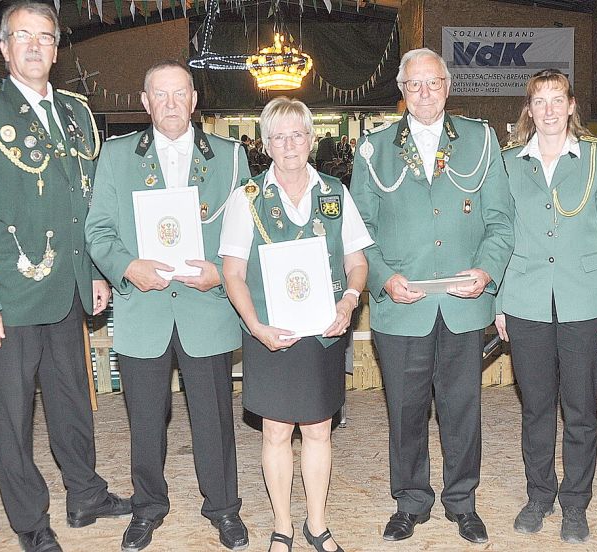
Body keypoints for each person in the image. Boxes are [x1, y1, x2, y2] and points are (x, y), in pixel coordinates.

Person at [0, 3, 130, 551]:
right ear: (3, 48)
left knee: (74, 399)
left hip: (68, 290)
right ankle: (30, 520)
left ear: (55, 49)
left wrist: (95, 270)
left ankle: (85, 494)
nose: (34, 47)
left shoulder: (77, 113)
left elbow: (89, 203)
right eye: (21, 37)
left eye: (45, 38)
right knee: (14, 414)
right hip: (11, 294)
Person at [84, 61, 251, 552]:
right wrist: (127, 267)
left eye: (180, 94)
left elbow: (247, 231)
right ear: (145, 101)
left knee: (215, 418)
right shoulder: (115, 157)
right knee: (145, 420)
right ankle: (147, 508)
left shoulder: (231, 155)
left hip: (207, 309)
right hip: (144, 310)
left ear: (195, 100)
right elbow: (98, 231)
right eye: (161, 95)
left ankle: (223, 508)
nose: (172, 104)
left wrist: (222, 273)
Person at [351, 48, 514, 545]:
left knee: (462, 408)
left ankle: (462, 501)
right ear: (401, 91)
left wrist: (487, 272)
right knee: (404, 409)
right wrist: (381, 277)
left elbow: (501, 222)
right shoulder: (374, 149)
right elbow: (357, 231)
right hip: (401, 308)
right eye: (414, 84)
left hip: (463, 306)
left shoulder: (481, 140)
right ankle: (411, 500)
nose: (425, 92)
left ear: (448, 85)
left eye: (433, 82)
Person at [220, 97, 372, 552]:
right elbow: (232, 272)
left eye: (298, 134)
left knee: (320, 430)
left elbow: (356, 261)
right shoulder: (245, 199)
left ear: (311, 139)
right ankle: (283, 526)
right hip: (270, 335)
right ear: (265, 144)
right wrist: (255, 326)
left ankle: (318, 525)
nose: (289, 144)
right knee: (276, 432)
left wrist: (348, 301)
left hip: (323, 335)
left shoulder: (334, 192)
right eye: (279, 136)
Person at [495, 69, 597, 545]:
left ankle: (576, 503)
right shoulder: (509, 163)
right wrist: (501, 304)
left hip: (584, 301)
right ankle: (538, 495)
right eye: (539, 100)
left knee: (581, 411)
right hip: (527, 301)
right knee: (535, 409)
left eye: (557, 99)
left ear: (572, 105)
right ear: (528, 109)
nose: (549, 109)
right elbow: (501, 236)